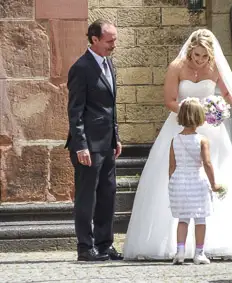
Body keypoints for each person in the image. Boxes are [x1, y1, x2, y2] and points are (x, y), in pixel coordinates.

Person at [123, 29, 232, 260]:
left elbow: (226, 92)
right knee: (172, 176)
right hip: (181, 124)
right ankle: (172, 243)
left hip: (211, 130)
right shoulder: (177, 67)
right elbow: (170, 101)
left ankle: (217, 241)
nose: (200, 60)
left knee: (217, 171)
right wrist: (192, 113)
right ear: (190, 50)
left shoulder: (215, 67)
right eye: (196, 55)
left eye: (204, 56)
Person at [65, 19, 123, 261]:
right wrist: (80, 146)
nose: (114, 45)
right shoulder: (81, 68)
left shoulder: (110, 64)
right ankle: (85, 247)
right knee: (87, 198)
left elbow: (110, 107)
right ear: (95, 40)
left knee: (108, 195)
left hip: (107, 144)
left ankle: (104, 244)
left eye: (115, 40)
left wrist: (116, 136)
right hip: (88, 146)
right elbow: (75, 111)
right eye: (109, 40)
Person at [168, 97, 221, 265]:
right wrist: (214, 184)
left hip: (179, 182)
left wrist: (172, 184)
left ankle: (180, 251)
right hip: (197, 182)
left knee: (182, 219)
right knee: (200, 219)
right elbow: (207, 163)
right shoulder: (202, 140)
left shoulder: (175, 139)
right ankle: (199, 253)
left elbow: (172, 166)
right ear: (199, 117)